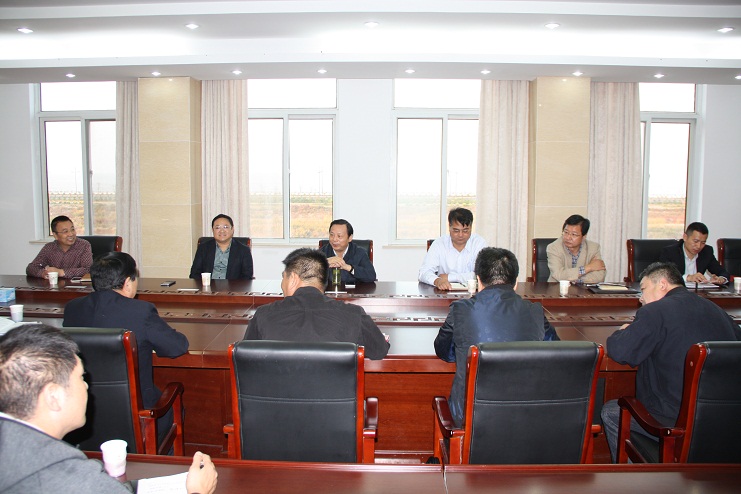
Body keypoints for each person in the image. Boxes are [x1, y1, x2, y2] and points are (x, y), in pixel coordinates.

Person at [0, 324, 217, 494]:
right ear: (53, 396)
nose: (87, 386)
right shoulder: (73, 480)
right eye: (81, 378)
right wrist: (197, 491)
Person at [600, 262, 740, 462]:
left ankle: (637, 478)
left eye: (643, 289)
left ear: (662, 284)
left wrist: (620, 332)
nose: (641, 298)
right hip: (726, 424)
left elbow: (621, 351)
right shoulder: (717, 311)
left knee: (612, 412)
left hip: (674, 424)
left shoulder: (655, 311)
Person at [63, 252, 189, 437]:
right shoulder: (140, 311)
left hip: (85, 408)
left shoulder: (73, 308)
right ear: (128, 282)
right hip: (136, 412)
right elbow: (176, 347)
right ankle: (161, 455)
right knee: (171, 409)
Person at [433, 247, 560, 426]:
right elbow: (555, 352)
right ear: (516, 283)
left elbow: (444, 352)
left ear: (478, 281)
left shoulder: (461, 310)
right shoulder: (535, 311)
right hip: (526, 419)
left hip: (471, 421)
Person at [243, 248, 389, 360]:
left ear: (293, 278)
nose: (282, 284)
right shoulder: (353, 315)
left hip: (277, 391)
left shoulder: (264, 315)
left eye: (283, 278)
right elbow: (379, 350)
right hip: (333, 392)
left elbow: (245, 358)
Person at [419, 208, 487, 290]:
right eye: (456, 231)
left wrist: (449, 277)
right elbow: (424, 272)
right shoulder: (439, 244)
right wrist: (437, 280)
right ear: (449, 227)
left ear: (471, 228)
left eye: (465, 231)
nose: (461, 235)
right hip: (444, 292)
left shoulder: (479, 243)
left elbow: (483, 275)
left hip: (473, 293)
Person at [659, 221, 729, 285]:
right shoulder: (670, 252)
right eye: (695, 241)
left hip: (697, 292)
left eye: (703, 243)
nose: (699, 246)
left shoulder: (707, 251)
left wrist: (721, 279)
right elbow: (663, 275)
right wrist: (688, 277)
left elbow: (722, 272)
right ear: (685, 237)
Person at [26, 215, 93, 280]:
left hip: (77, 286)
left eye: (72, 229)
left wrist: (61, 272)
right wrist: (43, 273)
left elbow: (88, 269)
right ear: (55, 235)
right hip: (56, 285)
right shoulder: (49, 248)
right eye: (65, 231)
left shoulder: (83, 245)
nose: (71, 234)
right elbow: (31, 268)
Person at [190, 214, 254, 280]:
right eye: (217, 228)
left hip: (233, 286)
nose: (222, 231)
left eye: (225, 227)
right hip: (209, 285)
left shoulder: (243, 250)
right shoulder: (203, 248)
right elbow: (194, 274)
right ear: (213, 230)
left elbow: (247, 276)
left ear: (232, 229)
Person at [546, 214, 606, 283]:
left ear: (584, 236)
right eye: (566, 232)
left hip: (584, 289)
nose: (568, 237)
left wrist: (576, 280)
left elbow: (599, 276)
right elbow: (559, 275)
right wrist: (589, 267)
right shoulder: (554, 248)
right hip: (557, 288)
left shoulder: (593, 248)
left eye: (574, 234)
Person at [318, 219, 376, 284]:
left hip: (354, 290)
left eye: (339, 236)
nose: (334, 239)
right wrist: (325, 262)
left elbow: (371, 276)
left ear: (350, 238)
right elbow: (309, 274)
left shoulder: (359, 253)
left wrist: (349, 268)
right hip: (329, 290)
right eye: (332, 235)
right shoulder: (322, 252)